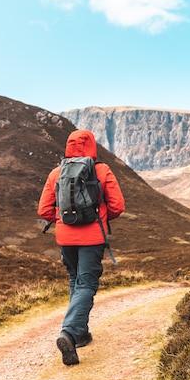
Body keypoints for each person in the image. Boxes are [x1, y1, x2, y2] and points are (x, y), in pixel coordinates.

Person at [38, 129, 125, 366]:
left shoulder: (57, 173)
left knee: (76, 281)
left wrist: (63, 220)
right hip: (92, 238)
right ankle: (69, 333)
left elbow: (44, 211)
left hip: (65, 239)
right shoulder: (102, 171)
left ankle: (81, 334)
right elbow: (118, 206)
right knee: (86, 284)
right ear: (92, 147)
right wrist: (101, 217)